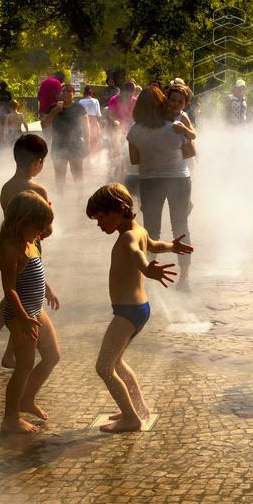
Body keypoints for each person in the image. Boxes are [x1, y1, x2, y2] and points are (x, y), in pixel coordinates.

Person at [86, 183, 192, 433]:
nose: (99, 223)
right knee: (118, 363)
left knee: (104, 367)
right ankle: (137, 408)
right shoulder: (139, 230)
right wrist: (172, 247)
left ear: (120, 210)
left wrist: (147, 269)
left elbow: (138, 254)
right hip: (137, 310)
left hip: (127, 313)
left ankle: (131, 419)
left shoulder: (128, 237)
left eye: (102, 217)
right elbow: (154, 245)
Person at [0, 134, 59, 371]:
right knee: (24, 296)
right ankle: (10, 354)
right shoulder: (38, 189)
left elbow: (10, 219)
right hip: (30, 246)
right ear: (38, 163)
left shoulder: (6, 188)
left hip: (8, 242)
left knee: (12, 290)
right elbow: (47, 227)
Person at [0, 191, 60, 433]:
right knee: (23, 366)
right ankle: (10, 419)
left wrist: (48, 290)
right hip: (19, 314)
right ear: (22, 221)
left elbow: (35, 271)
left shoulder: (31, 241)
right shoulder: (10, 247)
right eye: (38, 227)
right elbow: (9, 288)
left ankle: (27, 399)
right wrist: (23, 318)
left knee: (53, 355)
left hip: (35, 309)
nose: (41, 233)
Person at [127, 86, 193, 290]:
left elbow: (134, 160)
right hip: (179, 179)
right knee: (180, 227)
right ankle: (184, 279)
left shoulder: (135, 131)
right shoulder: (174, 126)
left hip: (150, 180)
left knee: (151, 229)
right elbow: (190, 152)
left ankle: (149, 279)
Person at [41, 84, 89, 190]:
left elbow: (86, 127)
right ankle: (60, 198)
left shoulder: (79, 108)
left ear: (74, 94)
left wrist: (87, 144)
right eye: (63, 91)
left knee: (78, 175)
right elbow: (43, 125)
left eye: (68, 91)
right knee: (59, 176)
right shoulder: (54, 108)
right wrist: (55, 112)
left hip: (76, 145)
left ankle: (80, 197)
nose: (65, 93)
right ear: (59, 94)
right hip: (58, 145)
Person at [78, 85, 103, 159]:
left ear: (84, 93)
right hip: (94, 122)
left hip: (84, 122)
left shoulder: (81, 101)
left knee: (85, 140)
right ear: (91, 93)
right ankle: (93, 158)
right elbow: (98, 115)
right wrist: (99, 125)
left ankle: (85, 157)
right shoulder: (95, 101)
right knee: (95, 140)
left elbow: (79, 115)